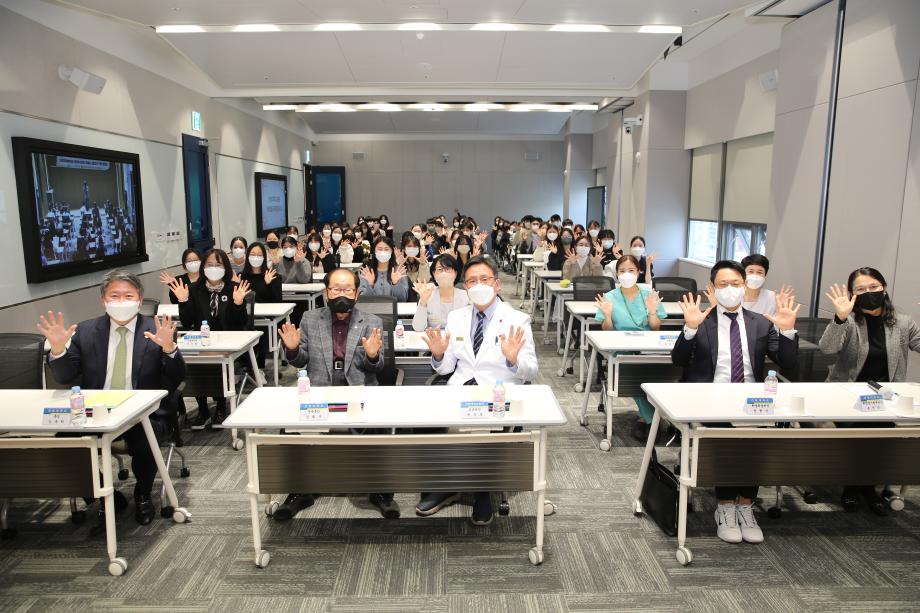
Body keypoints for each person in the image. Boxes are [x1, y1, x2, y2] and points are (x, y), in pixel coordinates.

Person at [41, 270, 185, 527]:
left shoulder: (157, 328)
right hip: (96, 411)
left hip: (143, 412)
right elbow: (65, 376)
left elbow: (176, 379)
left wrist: (169, 349)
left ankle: (142, 493)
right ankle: (102, 496)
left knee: (146, 437)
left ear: (139, 301)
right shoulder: (86, 331)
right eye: (114, 296)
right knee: (64, 441)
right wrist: (58, 350)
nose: (121, 301)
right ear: (103, 300)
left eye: (128, 296)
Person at [671, 260, 800, 545]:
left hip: (751, 398)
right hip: (711, 397)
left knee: (755, 441)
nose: (730, 289)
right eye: (723, 284)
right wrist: (690, 329)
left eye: (735, 284)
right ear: (713, 288)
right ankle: (726, 506)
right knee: (728, 440)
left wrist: (788, 331)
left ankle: (746, 505)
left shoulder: (760, 322)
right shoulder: (703, 320)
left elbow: (788, 364)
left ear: (744, 286)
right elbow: (678, 360)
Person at [420, 256, 538, 524]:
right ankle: (447, 483)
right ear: (466, 287)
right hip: (461, 388)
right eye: (472, 281)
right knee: (423, 421)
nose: (478, 285)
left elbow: (531, 370)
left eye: (484, 279)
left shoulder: (517, 319)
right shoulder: (456, 317)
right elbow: (447, 366)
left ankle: (482, 490)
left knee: (478, 426)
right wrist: (438, 355)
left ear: (497, 284)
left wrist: (513, 360)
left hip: (497, 393)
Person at [276, 268, 394, 519]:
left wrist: (373, 355)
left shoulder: (371, 321)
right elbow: (301, 361)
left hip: (359, 391)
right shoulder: (310, 318)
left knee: (381, 427)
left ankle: (381, 491)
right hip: (320, 390)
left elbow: (377, 367)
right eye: (336, 289)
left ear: (357, 293)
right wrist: (293, 349)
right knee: (290, 428)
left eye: (348, 289)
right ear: (326, 293)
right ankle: (299, 491)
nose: (342, 294)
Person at [820, 267, 920, 514]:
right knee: (858, 437)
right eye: (861, 289)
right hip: (847, 396)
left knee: (881, 439)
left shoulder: (903, 322)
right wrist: (839, 318)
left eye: (873, 287)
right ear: (852, 294)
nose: (868, 292)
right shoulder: (849, 320)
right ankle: (858, 488)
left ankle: (864, 487)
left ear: (884, 288)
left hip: (887, 397)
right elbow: (827, 348)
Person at [167, 249, 252, 428]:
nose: (214, 268)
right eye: (209, 265)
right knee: (192, 363)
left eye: (218, 265)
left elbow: (240, 323)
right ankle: (203, 409)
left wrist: (238, 304)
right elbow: (187, 321)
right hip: (202, 342)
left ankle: (221, 406)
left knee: (216, 361)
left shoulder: (233, 288)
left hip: (228, 343)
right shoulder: (194, 289)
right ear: (203, 267)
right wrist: (183, 301)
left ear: (225, 267)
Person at [594, 255, 668, 439]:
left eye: (631, 270)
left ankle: (650, 417)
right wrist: (608, 315)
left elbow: (656, 327)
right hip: (622, 349)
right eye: (622, 271)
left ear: (638, 272)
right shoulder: (610, 297)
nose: (626, 274)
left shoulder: (649, 294)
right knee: (634, 372)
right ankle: (651, 419)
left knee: (663, 371)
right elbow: (607, 330)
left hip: (649, 348)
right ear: (616, 274)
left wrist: (652, 311)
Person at [412, 254, 469, 330]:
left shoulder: (466, 297)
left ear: (455, 273)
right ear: (433, 274)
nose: (444, 273)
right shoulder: (428, 295)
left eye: (447, 269)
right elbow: (418, 328)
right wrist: (423, 302)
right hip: (434, 336)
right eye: (440, 269)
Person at [359, 236, 409, 301]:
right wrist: (370, 285)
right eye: (380, 249)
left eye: (386, 249)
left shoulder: (399, 271)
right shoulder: (366, 272)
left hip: (394, 307)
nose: (383, 252)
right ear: (374, 251)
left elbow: (403, 299)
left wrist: (395, 283)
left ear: (391, 251)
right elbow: (362, 300)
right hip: (372, 307)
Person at [398, 234, 430, 301]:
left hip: (418, 294)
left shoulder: (423, 260)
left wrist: (422, 264)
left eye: (415, 246)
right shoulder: (399, 261)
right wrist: (400, 265)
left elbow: (424, 280)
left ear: (418, 248)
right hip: (403, 294)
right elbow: (397, 282)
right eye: (409, 246)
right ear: (404, 248)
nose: (412, 248)